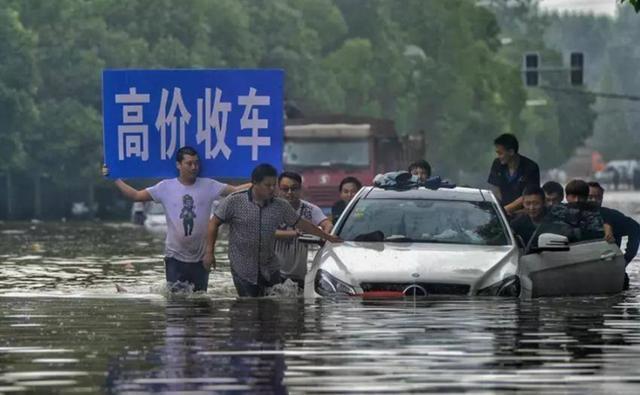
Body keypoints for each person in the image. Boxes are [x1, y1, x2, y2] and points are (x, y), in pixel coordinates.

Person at [104, 146, 250, 292]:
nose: (194, 167)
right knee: (176, 302)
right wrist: (115, 178)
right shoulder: (165, 187)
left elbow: (236, 191)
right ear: (178, 165)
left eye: (196, 163)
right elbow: (136, 196)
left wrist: (259, 182)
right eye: (189, 163)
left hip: (201, 256)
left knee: (200, 302)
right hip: (174, 256)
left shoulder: (209, 185)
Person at [205, 164, 341, 297]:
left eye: (273, 185)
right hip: (242, 267)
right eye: (267, 185)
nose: (271, 189)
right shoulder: (234, 201)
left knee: (273, 306)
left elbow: (302, 224)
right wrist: (209, 252)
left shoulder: (280, 205)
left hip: (270, 267)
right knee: (248, 308)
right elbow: (213, 223)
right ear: (255, 183)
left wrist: (326, 236)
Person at [274, 171, 333, 289]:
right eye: (285, 189)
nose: (289, 193)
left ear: (300, 189)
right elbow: (267, 232)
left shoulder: (309, 209)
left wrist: (324, 236)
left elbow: (327, 224)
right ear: (278, 190)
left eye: (294, 189)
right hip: (274, 272)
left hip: (299, 274)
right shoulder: (271, 209)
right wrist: (293, 233)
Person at [588, 181, 639, 288]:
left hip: (610, 270)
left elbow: (636, 229)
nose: (594, 200)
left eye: (598, 197)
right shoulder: (570, 214)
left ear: (602, 198)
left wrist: (625, 259)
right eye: (590, 197)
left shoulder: (611, 215)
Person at [487, 134, 540, 216]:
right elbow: (495, 188)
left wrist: (506, 209)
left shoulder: (530, 167)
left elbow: (529, 195)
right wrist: (500, 208)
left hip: (524, 212)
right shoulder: (497, 164)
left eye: (500, 153)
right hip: (502, 211)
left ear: (511, 152)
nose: (498, 156)